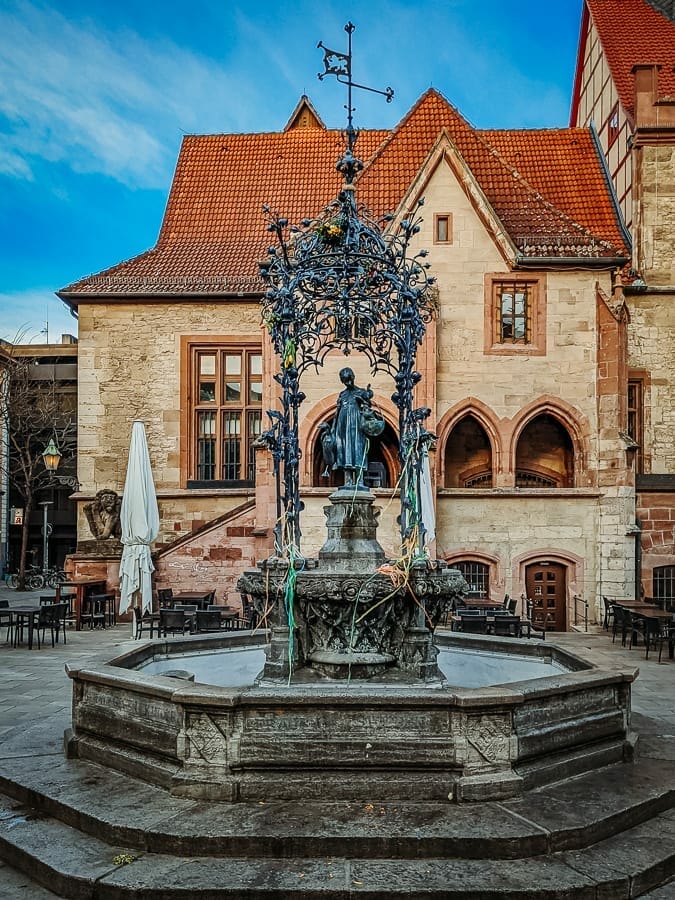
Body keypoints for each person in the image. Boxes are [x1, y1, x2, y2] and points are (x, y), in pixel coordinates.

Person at [326, 367, 382, 489]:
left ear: (353, 377)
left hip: (356, 423)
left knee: (357, 448)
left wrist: (363, 400)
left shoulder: (360, 392)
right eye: (345, 380)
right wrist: (333, 428)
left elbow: (368, 407)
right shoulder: (342, 394)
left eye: (349, 379)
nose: (348, 383)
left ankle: (359, 481)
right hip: (343, 423)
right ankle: (348, 481)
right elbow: (337, 412)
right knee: (344, 449)